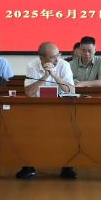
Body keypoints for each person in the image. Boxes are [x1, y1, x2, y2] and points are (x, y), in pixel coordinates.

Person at [19, 43, 77, 180]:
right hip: (36, 109)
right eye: (53, 57)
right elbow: (28, 92)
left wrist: (54, 75)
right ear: (41, 58)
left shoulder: (64, 65)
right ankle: (28, 166)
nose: (56, 59)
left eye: (58, 55)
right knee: (27, 131)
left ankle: (67, 166)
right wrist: (45, 76)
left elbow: (71, 90)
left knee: (68, 131)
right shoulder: (32, 66)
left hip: (61, 108)